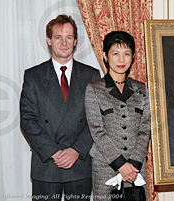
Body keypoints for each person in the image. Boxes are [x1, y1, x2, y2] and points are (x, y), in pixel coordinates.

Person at [20, 15, 100, 201]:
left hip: (79, 164)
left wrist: (76, 150)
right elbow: (27, 120)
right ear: (49, 40)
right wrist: (54, 152)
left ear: (75, 41)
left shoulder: (91, 75)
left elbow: (96, 120)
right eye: (58, 37)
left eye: (69, 37)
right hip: (46, 164)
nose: (64, 43)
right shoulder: (33, 76)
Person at [85, 31, 150, 201]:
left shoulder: (142, 89)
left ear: (133, 57)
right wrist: (120, 165)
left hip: (137, 170)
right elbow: (97, 131)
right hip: (106, 168)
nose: (121, 60)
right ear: (105, 56)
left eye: (126, 54)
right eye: (116, 53)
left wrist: (134, 164)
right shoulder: (94, 89)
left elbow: (145, 129)